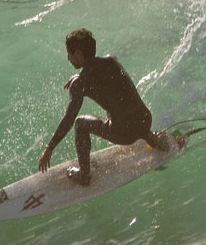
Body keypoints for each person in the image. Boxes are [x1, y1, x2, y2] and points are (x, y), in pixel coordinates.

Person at [38, 28, 169, 185]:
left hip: (124, 134)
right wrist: (80, 75)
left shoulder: (80, 84)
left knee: (81, 123)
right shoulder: (112, 61)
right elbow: (100, 76)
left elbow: (69, 118)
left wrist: (50, 148)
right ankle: (152, 139)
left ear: (79, 54)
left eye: (70, 54)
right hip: (145, 120)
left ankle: (84, 175)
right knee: (125, 104)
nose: (68, 58)